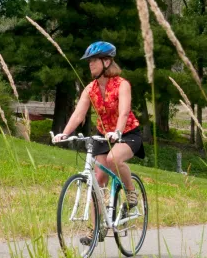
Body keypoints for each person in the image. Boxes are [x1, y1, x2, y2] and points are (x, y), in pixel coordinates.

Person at [52, 41, 146, 242]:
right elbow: (78, 115)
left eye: (93, 60)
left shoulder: (122, 85)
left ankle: (131, 194)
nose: (90, 64)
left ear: (106, 61)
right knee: (99, 180)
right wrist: (64, 133)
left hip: (127, 134)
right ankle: (96, 228)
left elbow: (123, 113)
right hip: (104, 136)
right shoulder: (90, 89)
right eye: (89, 61)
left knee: (113, 159)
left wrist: (117, 132)